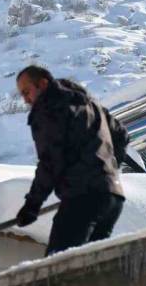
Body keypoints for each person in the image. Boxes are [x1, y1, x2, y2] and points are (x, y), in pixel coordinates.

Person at [14, 65, 128, 256]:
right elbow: (121, 135)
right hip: (112, 199)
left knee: (57, 269)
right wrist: (108, 170)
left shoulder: (50, 108)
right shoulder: (88, 102)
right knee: (88, 268)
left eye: (27, 92)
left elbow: (49, 163)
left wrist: (32, 206)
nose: (25, 100)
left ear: (43, 84)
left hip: (83, 198)